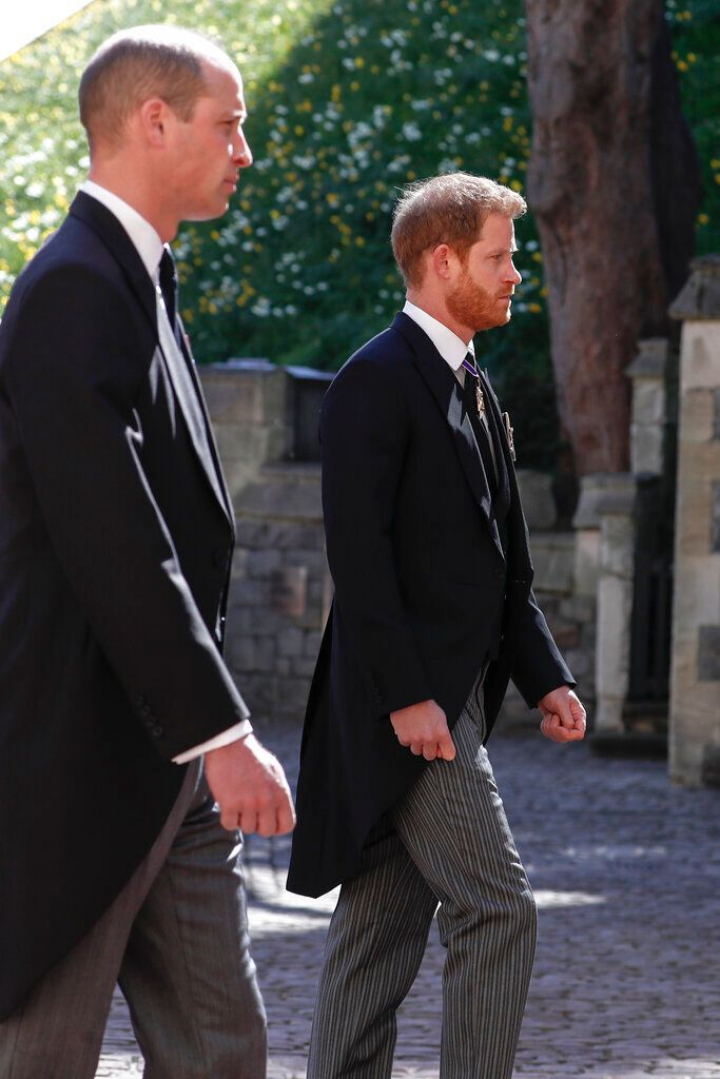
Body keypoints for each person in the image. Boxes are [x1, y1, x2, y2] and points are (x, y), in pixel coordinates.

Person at [0, 25, 295, 1079]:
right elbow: (112, 534)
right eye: (230, 125)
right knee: (41, 1052)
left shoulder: (139, 276)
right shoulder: (75, 286)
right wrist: (220, 731)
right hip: (81, 755)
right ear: (153, 120)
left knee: (222, 1050)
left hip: (166, 763)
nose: (244, 151)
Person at [287, 172, 587, 1079]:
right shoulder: (373, 381)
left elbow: (503, 566)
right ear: (443, 260)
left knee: (378, 931)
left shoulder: (476, 387)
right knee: (499, 907)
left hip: (452, 699)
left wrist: (546, 674)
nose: (515, 275)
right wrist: (410, 696)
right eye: (500, 258)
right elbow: (360, 560)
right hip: (411, 705)